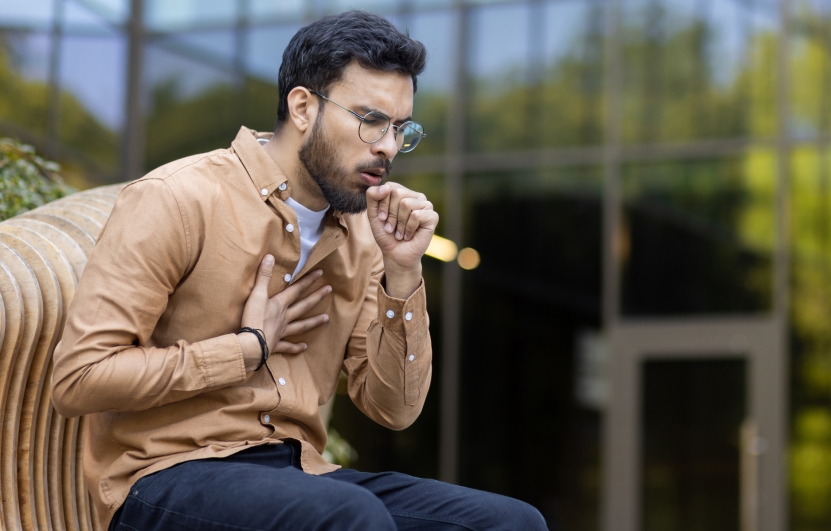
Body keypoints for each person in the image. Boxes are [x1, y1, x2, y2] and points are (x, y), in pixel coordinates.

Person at [51, 10, 547, 531]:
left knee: (511, 522)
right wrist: (245, 350)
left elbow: (393, 410)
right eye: (371, 119)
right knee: (348, 516)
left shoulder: (364, 238)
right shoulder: (178, 199)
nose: (387, 146)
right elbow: (79, 377)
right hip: (164, 476)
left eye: (401, 128)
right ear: (304, 107)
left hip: (300, 473)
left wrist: (402, 274)